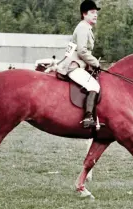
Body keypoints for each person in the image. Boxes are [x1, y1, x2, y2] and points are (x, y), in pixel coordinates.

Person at [57, 0, 101, 128]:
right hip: (74, 65)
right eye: (92, 12)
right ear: (84, 14)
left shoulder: (84, 27)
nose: (95, 15)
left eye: (96, 13)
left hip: (74, 63)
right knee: (94, 86)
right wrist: (95, 63)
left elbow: (71, 47)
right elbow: (82, 51)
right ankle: (88, 117)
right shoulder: (83, 28)